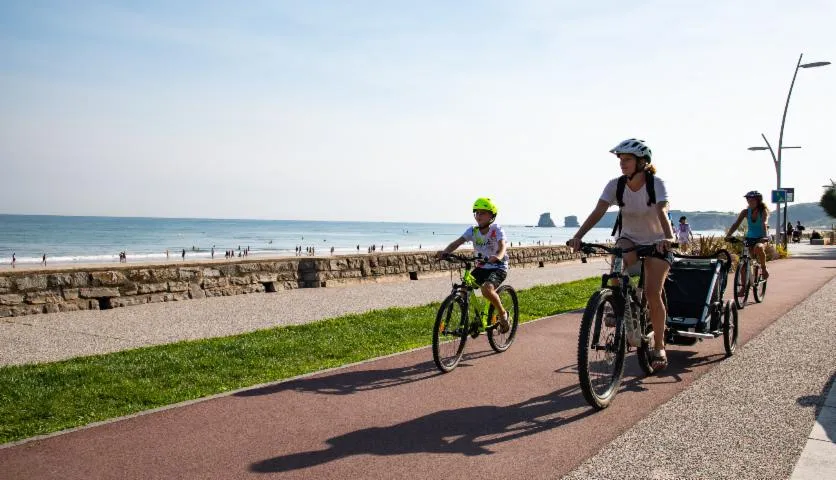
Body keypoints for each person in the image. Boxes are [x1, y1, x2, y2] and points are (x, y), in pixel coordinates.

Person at [567, 138, 674, 371]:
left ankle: (659, 345)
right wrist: (578, 236)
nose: (622, 164)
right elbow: (598, 211)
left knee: (653, 294)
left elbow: (661, 210)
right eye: (621, 160)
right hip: (630, 239)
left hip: (657, 243)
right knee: (618, 257)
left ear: (642, 162)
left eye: (627, 160)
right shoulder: (615, 185)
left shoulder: (656, 184)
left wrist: (668, 237)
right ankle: (616, 303)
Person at [436, 197, 511, 334]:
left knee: (486, 289)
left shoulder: (496, 230)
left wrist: (498, 256)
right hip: (482, 267)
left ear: (491, 215)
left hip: (498, 266)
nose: (479, 215)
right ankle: (470, 321)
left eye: (483, 212)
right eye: (477, 212)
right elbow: (456, 243)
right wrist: (445, 252)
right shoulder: (473, 231)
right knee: (464, 289)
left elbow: (502, 246)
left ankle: (502, 314)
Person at [725, 190, 770, 280]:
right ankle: (743, 287)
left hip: (761, 237)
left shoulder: (763, 211)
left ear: (758, 200)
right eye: (748, 200)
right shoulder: (745, 212)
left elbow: (764, 223)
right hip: (749, 238)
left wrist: (764, 237)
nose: (749, 201)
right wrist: (729, 235)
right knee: (744, 263)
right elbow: (736, 224)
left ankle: (764, 268)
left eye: (752, 200)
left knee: (759, 248)